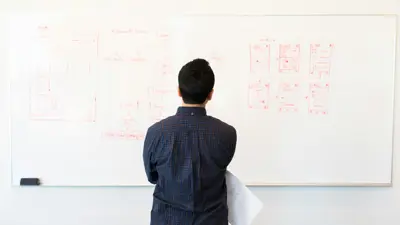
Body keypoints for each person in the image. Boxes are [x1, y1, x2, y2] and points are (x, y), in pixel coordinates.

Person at [142, 58, 237, 225]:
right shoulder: (227, 133)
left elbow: (152, 176)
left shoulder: (156, 132)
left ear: (179, 91)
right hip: (212, 220)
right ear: (210, 94)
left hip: (167, 220)